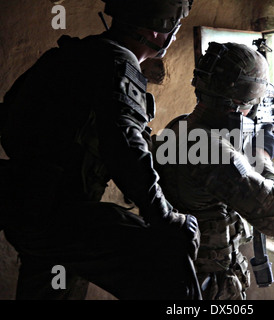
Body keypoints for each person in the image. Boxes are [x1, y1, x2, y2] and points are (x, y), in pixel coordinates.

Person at [0, 0, 202, 300]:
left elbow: (11, 119)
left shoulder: (68, 55)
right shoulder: (118, 63)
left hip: (22, 205)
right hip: (60, 215)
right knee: (172, 262)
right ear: (160, 29)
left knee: (52, 287)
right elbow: (125, 148)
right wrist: (166, 216)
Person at [152, 42, 274, 300]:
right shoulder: (209, 149)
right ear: (242, 99)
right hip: (205, 285)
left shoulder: (180, 126)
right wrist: (263, 158)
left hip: (176, 273)